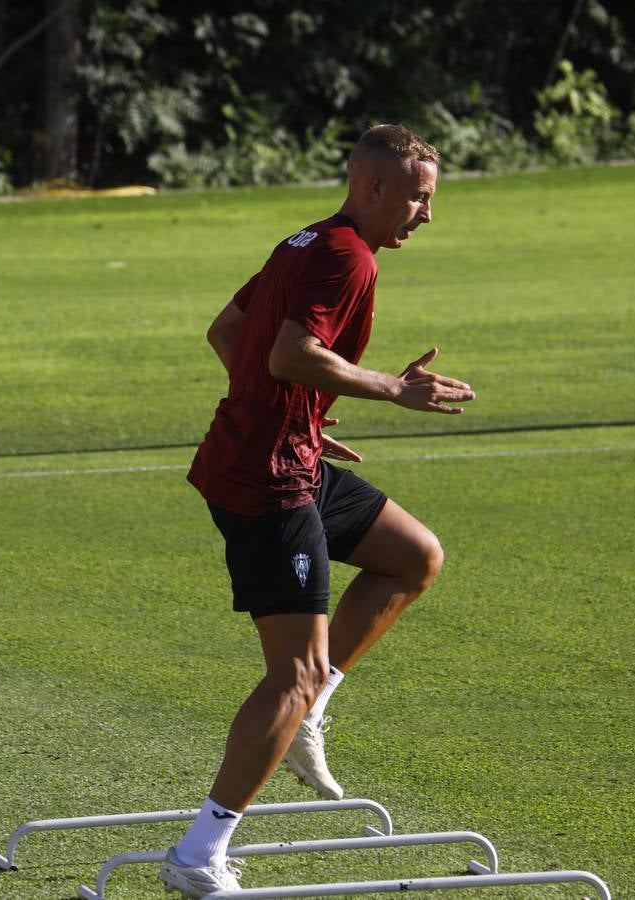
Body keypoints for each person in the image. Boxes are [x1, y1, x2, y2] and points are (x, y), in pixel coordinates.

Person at [159, 123, 475, 896]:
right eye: (419, 198)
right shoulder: (346, 256)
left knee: (414, 556)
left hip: (273, 452)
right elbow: (288, 353)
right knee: (291, 673)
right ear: (374, 187)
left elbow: (227, 331)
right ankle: (199, 854)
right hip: (267, 480)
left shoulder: (307, 240)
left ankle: (310, 708)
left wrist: (290, 412)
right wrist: (392, 388)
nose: (427, 214)